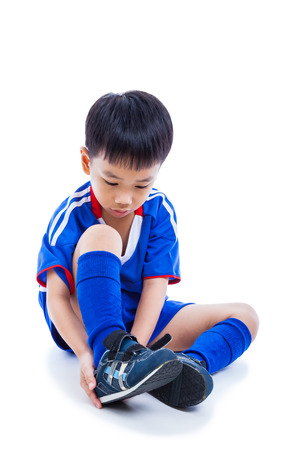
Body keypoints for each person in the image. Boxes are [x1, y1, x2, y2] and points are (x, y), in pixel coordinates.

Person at [37, 91, 259, 409]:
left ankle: (186, 368)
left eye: (142, 184)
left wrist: (139, 349)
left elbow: (156, 288)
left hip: (140, 321)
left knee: (246, 315)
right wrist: (86, 354)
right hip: (83, 318)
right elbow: (55, 297)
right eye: (112, 182)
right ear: (87, 162)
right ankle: (110, 355)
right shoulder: (72, 213)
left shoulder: (160, 212)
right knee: (103, 235)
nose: (125, 198)